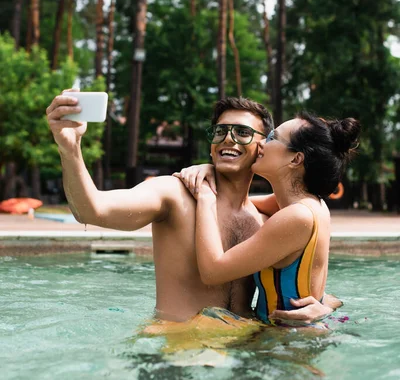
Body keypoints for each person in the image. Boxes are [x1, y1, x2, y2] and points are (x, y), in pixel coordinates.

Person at [46, 91, 337, 324]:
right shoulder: (174, 194)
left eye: (242, 132)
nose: (228, 138)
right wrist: (69, 149)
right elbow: (92, 209)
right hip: (177, 354)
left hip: (243, 353)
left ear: (262, 147)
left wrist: (323, 309)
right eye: (220, 131)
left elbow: (302, 282)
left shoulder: (263, 217)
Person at [185, 112, 360, 324]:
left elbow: (212, 272)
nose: (260, 144)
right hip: (296, 338)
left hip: (286, 346)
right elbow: (241, 204)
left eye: (271, 138)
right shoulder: (312, 205)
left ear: (296, 159)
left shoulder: (296, 217)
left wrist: (204, 194)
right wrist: (212, 170)